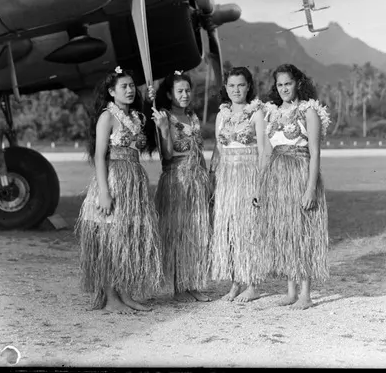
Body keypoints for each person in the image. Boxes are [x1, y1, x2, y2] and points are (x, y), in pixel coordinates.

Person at [76, 66, 162, 313]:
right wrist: (104, 191)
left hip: (134, 181)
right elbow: (99, 155)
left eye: (132, 86)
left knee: (126, 239)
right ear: (112, 91)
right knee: (108, 240)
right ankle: (111, 298)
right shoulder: (107, 116)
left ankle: (125, 293)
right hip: (113, 179)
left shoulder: (138, 117)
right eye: (123, 86)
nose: (130, 90)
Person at [257, 63, 330, 310]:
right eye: (279, 85)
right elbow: (267, 153)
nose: (284, 88)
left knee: (303, 232)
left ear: (298, 83)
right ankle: (290, 291)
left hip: (300, 175)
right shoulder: (273, 113)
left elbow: (315, 152)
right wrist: (261, 186)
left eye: (288, 83)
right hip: (277, 178)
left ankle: (306, 294)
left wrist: (310, 188)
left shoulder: (308, 111)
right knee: (285, 232)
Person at [149, 71, 211, 302]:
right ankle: (179, 287)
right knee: (177, 234)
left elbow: (199, 153)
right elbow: (166, 155)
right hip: (177, 181)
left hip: (197, 181)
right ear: (169, 94)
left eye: (187, 90)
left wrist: (206, 181)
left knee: (195, 231)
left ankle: (192, 282)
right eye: (180, 91)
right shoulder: (164, 117)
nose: (185, 95)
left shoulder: (192, 117)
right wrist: (164, 129)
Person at [209, 66, 265, 302]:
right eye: (231, 86)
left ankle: (252, 284)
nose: (236, 90)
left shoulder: (257, 113)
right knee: (229, 230)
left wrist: (260, 185)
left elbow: (263, 151)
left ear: (248, 86)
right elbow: (218, 150)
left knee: (249, 230)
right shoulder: (222, 114)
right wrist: (213, 180)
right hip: (226, 177)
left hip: (248, 175)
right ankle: (235, 282)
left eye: (240, 85)